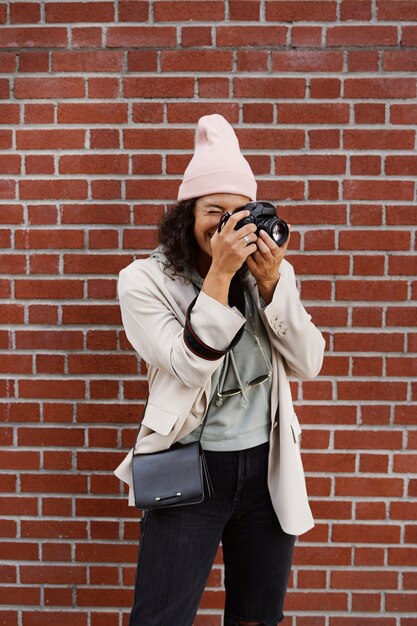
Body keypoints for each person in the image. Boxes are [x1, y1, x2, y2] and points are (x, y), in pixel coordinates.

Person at [114, 114, 325, 626]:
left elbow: (308, 362)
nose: (229, 226)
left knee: (257, 615)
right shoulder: (144, 281)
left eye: (240, 212)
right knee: (161, 617)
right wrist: (221, 274)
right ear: (187, 215)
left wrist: (273, 285)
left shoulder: (268, 272)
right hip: (189, 465)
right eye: (214, 211)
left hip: (265, 467)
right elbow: (188, 363)